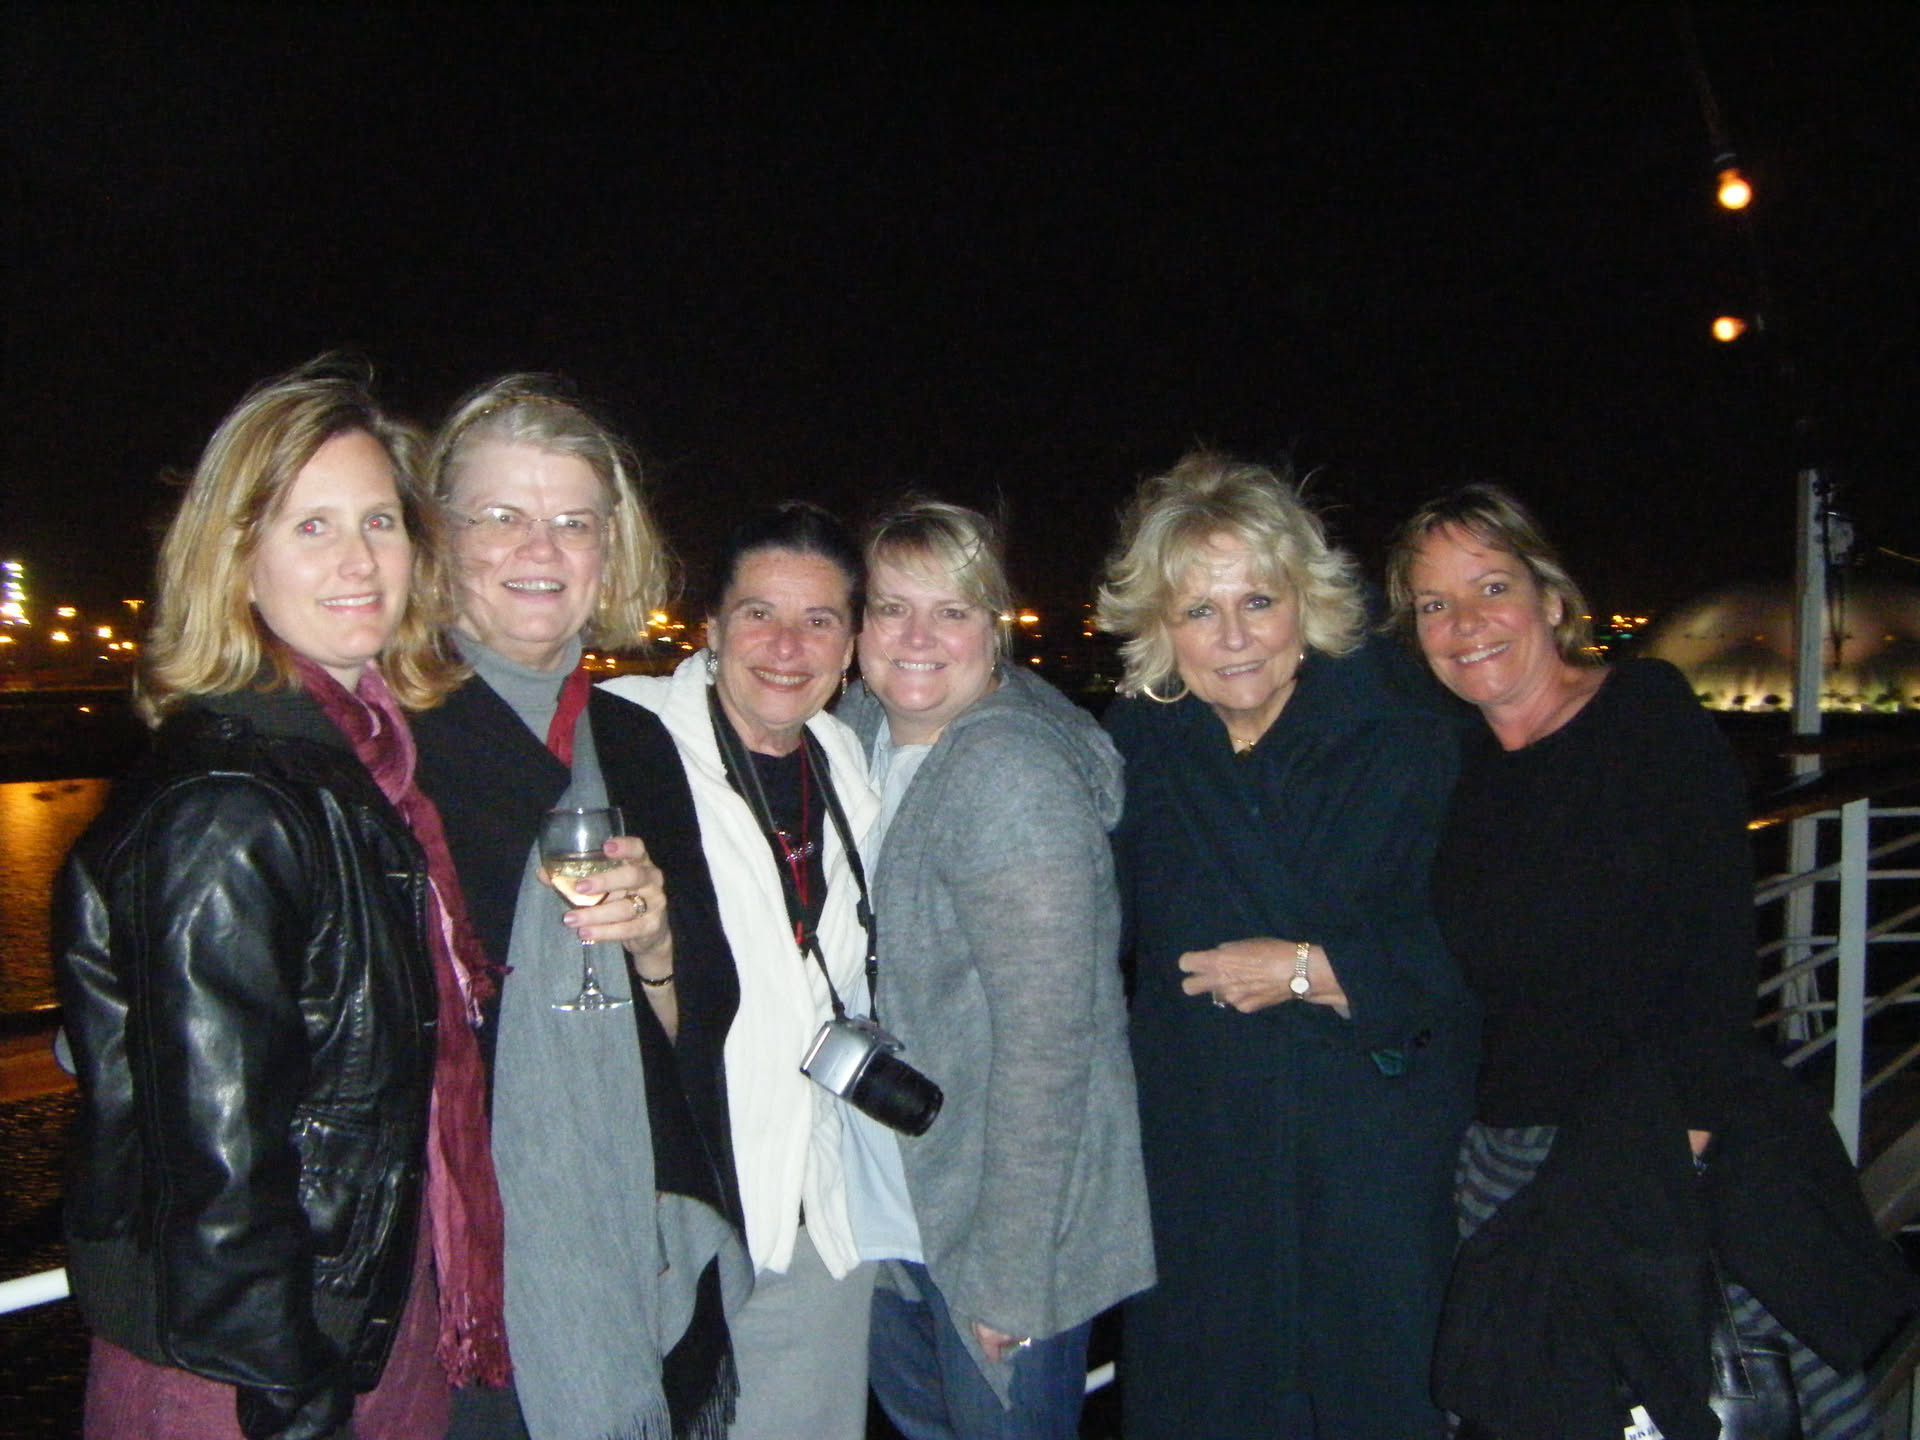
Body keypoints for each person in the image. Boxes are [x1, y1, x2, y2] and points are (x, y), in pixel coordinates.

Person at [1389, 484, 1916, 1440]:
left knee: (1725, 1396)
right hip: (1509, 1152)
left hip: (1656, 1136)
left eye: (1492, 587)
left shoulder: (1640, 714)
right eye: (1434, 603)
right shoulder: (1456, 764)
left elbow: (1716, 948)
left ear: (1553, 599)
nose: (1464, 623)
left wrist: (1681, 1151)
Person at [54, 357, 499, 1440]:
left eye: (380, 522)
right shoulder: (230, 803)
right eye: (311, 526)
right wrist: (290, 1398)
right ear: (237, 558)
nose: (359, 560)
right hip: (250, 1370)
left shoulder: (366, 772)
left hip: (364, 1319)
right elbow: (216, 1168)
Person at [1093, 451, 1478, 1440]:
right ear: (1159, 628)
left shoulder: (1412, 730)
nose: (1232, 638)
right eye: (1198, 610)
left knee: (1373, 1394)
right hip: (1201, 1152)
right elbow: (1076, 930)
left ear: (1307, 601)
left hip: (1371, 1144)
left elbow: (1495, 934)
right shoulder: (1139, 746)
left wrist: (1318, 969)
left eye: (1257, 601)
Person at [410, 376, 750, 1440]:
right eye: (499, 515)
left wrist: (656, 945)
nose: (540, 548)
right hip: (453, 1275)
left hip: (630, 1231)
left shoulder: (636, 741)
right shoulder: (386, 742)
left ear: (611, 548)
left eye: (573, 522)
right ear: (437, 541)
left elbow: (706, 1004)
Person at [837, 499, 1155, 1440]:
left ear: (995, 629)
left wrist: (1012, 1274)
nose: (918, 638)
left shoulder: (1010, 774)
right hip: (890, 1201)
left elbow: (1052, 1045)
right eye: (893, 608)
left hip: (992, 1226)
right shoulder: (853, 737)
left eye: (953, 611)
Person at [601, 502, 880, 1440]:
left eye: (819, 620)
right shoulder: (626, 738)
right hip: (670, 1218)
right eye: (759, 613)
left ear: (850, 647)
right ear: (712, 629)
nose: (787, 647)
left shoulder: (846, 760)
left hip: (811, 1214)